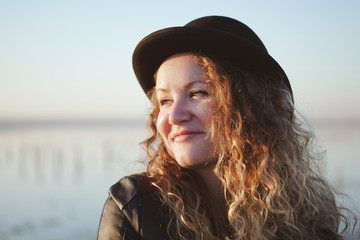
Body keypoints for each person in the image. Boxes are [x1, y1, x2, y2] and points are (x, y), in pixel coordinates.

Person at [96, 16, 355, 240]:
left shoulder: (305, 210)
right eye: (165, 101)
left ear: (251, 106)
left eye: (197, 93)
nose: (174, 116)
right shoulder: (136, 206)